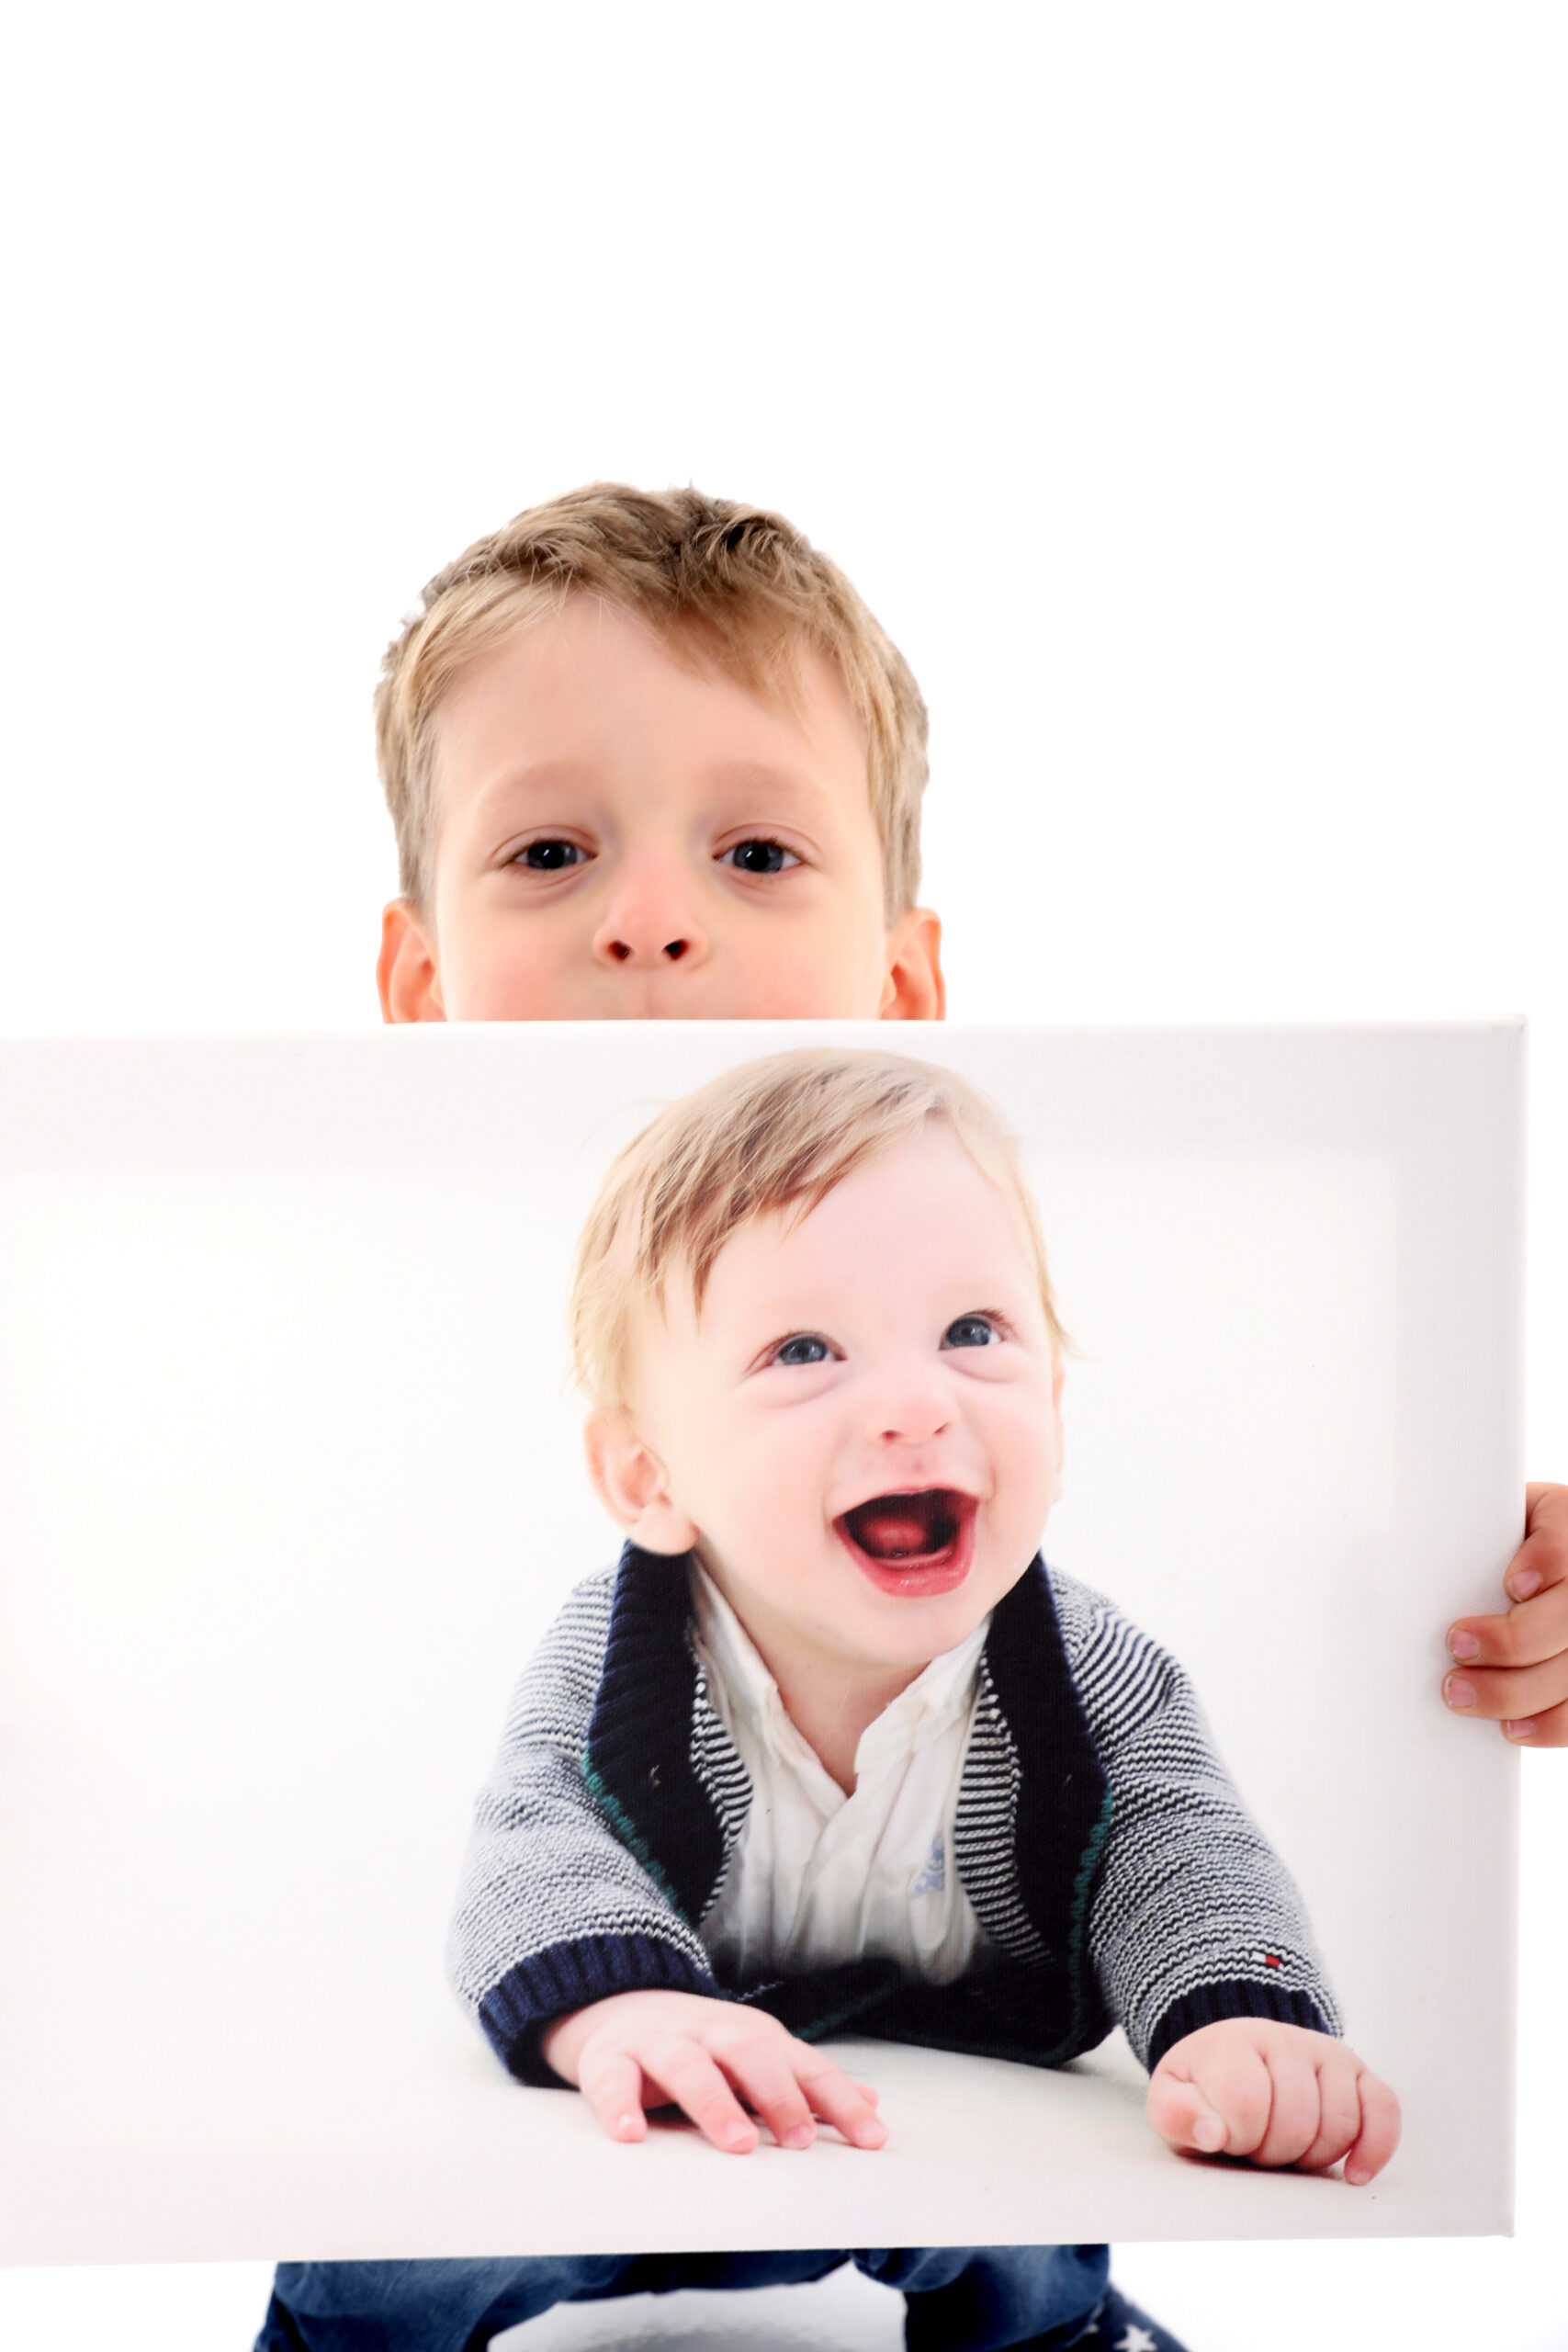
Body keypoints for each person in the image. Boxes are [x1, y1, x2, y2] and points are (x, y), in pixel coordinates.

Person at [256, 484, 1566, 2352]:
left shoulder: (1068, 1649)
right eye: (547, 848)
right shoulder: (569, 1589)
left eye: (759, 852)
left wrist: (1242, 1992)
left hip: (965, 2106)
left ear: (905, 982)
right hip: (608, 2100)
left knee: (1034, 2262)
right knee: (386, 2254)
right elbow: (531, 1831)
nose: (648, 922)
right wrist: (608, 2002)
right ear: (415, 982)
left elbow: (1178, 1831)